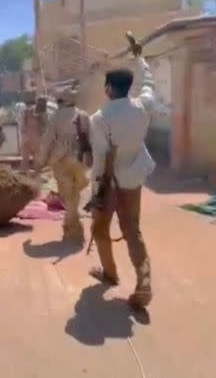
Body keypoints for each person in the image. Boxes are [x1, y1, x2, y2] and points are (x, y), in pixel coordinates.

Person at [87, 33, 159, 310]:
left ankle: (109, 273)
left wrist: (96, 191)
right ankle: (144, 282)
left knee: (100, 227)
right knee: (133, 230)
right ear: (128, 87)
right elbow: (150, 82)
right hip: (134, 178)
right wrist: (139, 57)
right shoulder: (144, 105)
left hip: (110, 183)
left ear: (107, 89)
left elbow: (100, 159)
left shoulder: (100, 118)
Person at [35, 87, 90, 244]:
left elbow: (47, 140)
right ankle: (72, 225)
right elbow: (92, 138)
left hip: (61, 160)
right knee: (75, 192)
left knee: (67, 194)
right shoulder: (84, 115)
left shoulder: (56, 117)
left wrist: (40, 160)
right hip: (81, 160)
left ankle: (72, 226)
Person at [18, 90, 44, 172]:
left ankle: (25, 176)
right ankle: (37, 176)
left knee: (25, 159)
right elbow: (43, 123)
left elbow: (21, 125)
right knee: (37, 157)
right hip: (36, 137)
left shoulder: (21, 109)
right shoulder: (38, 110)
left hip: (25, 137)